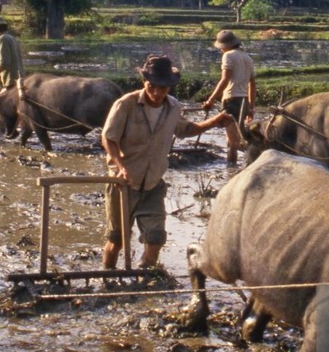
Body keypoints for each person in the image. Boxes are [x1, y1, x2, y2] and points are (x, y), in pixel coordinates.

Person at [102, 55, 233, 269]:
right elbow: (108, 138)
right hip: (123, 185)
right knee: (116, 240)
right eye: (152, 86)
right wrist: (120, 166)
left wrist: (214, 122)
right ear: (144, 82)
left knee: (155, 239)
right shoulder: (126, 105)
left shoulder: (173, 107)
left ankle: (144, 279)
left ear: (170, 87)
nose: (156, 92)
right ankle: (107, 278)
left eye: (163, 88)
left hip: (153, 184)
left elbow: (186, 130)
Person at [201, 29, 256, 165]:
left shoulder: (229, 56)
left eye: (221, 48)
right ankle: (235, 168)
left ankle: (234, 168)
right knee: (234, 137)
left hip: (231, 100)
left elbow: (225, 80)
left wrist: (211, 99)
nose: (221, 51)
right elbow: (252, 85)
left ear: (226, 46)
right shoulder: (247, 58)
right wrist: (251, 107)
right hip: (243, 101)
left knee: (233, 142)